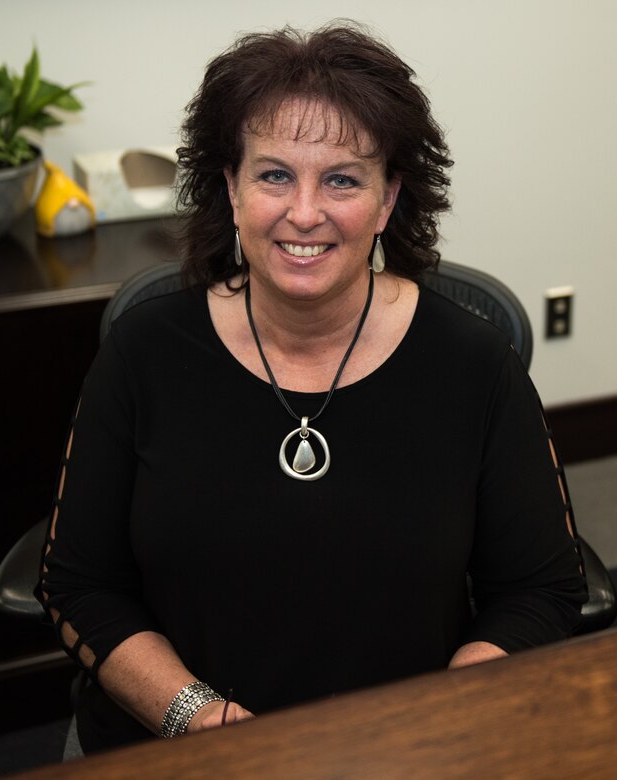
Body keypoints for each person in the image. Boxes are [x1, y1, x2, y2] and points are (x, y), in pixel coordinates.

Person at [38, 23, 587, 756]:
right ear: (229, 188)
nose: (303, 212)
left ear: (388, 199)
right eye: (272, 175)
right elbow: (78, 582)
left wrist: (435, 724)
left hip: (407, 751)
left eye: (341, 179)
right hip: (178, 749)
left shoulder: (473, 365)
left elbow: (540, 593)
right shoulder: (145, 353)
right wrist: (202, 722)